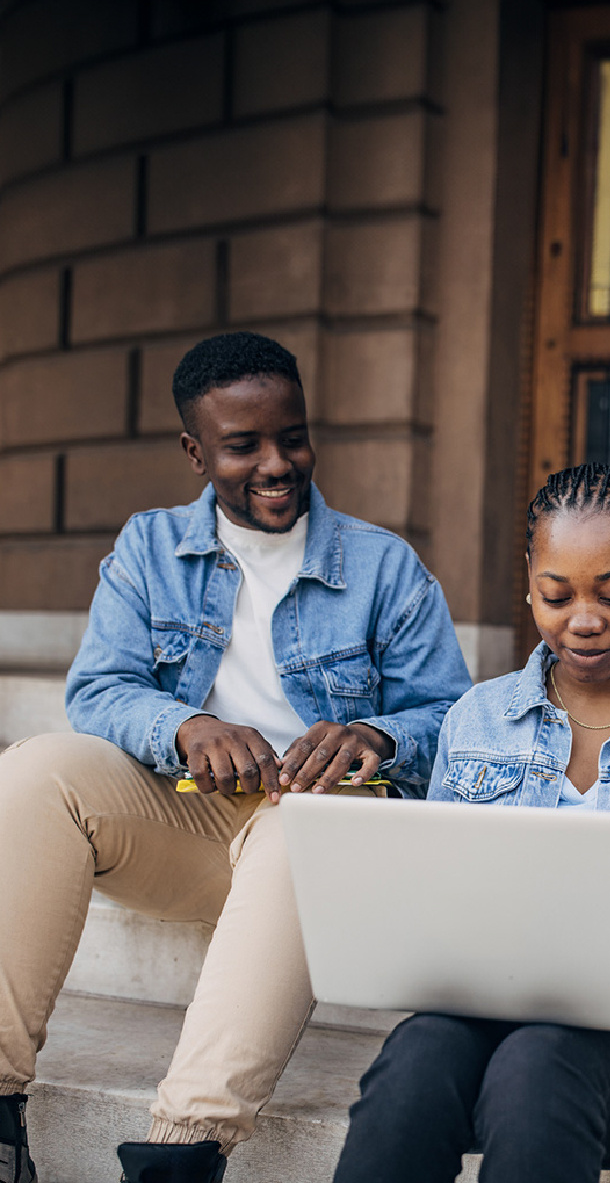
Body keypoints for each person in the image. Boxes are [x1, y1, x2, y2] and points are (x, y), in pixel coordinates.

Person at [0, 332, 472, 1183]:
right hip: (190, 825)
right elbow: (99, 691)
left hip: (326, 846)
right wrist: (184, 726)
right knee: (34, 768)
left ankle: (181, 1153)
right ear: (194, 452)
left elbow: (459, 722)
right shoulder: (148, 550)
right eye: (243, 445)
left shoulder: (381, 567)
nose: (277, 463)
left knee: (299, 823)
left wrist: (378, 737)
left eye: (291, 436)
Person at [331, 463, 610, 1183]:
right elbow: (437, 889)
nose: (583, 620)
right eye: (556, 594)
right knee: (414, 1061)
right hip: (484, 1006)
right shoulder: (475, 719)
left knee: (537, 1064)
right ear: (529, 579)